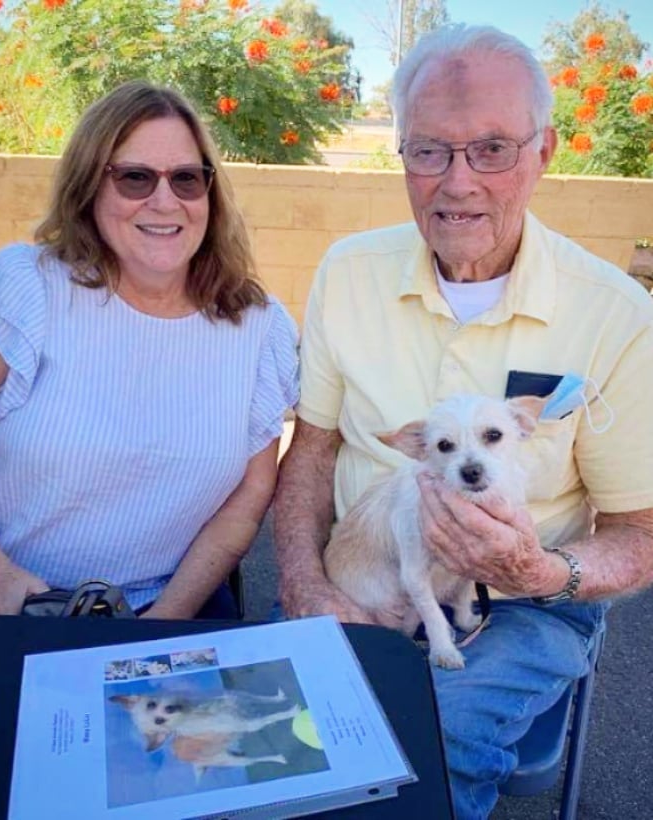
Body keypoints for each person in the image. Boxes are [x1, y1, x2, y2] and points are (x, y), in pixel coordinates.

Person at [273, 24, 653, 819]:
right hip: (360, 571)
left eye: (490, 149)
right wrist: (306, 586)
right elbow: (310, 449)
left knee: (423, 749)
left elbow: (639, 533)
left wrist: (544, 574)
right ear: (402, 155)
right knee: (277, 748)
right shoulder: (349, 272)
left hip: (524, 606)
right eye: (429, 150)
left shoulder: (616, 316)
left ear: (544, 150)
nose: (458, 182)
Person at [0, 80, 298, 620]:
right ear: (89, 188)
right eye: (134, 178)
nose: (164, 200)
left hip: (162, 608)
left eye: (186, 179)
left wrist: (165, 619)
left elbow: (246, 499)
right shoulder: (22, 287)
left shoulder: (260, 328)